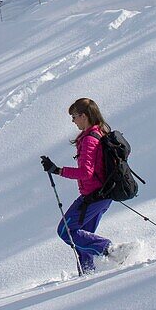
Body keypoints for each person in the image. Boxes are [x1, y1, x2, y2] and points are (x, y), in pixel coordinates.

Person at [40, 97, 113, 273]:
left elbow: (86, 172)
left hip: (94, 196)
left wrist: (57, 170)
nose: (73, 121)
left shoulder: (90, 139)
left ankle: (109, 250)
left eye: (74, 116)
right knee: (83, 239)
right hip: (101, 195)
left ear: (84, 115)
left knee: (66, 231)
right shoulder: (98, 133)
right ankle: (87, 274)